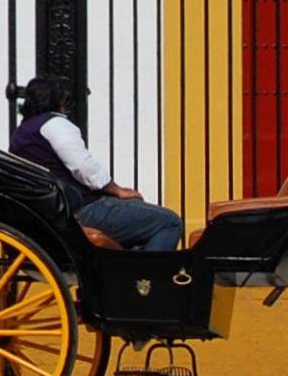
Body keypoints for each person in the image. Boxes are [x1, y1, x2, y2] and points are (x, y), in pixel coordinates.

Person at [10, 74, 182, 251]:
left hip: (53, 212)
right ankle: (149, 275)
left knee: (138, 208)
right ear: (57, 100)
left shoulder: (21, 133)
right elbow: (82, 167)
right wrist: (117, 190)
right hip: (83, 210)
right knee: (169, 221)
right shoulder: (54, 124)